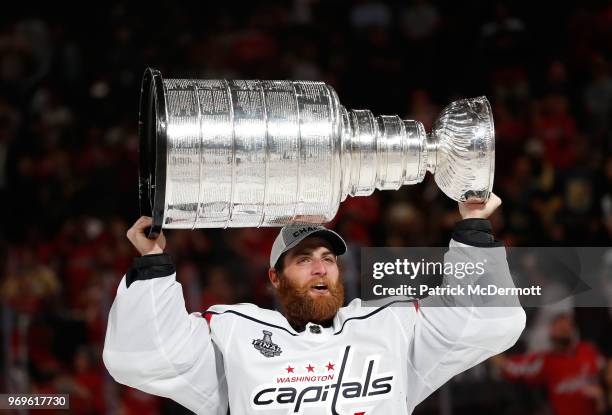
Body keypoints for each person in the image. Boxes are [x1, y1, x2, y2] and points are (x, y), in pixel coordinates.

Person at [103, 193, 526, 414]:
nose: (320, 269)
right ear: (275, 277)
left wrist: (472, 226)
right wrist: (154, 261)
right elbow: (142, 356)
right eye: (304, 260)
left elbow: (488, 321)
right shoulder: (235, 333)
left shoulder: (388, 324)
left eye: (328, 259)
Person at [491, 312, 605, 415]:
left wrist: (602, 396)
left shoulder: (589, 351)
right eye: (559, 327)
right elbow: (508, 366)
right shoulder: (545, 361)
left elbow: (606, 373)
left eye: (567, 326)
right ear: (551, 332)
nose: (564, 329)